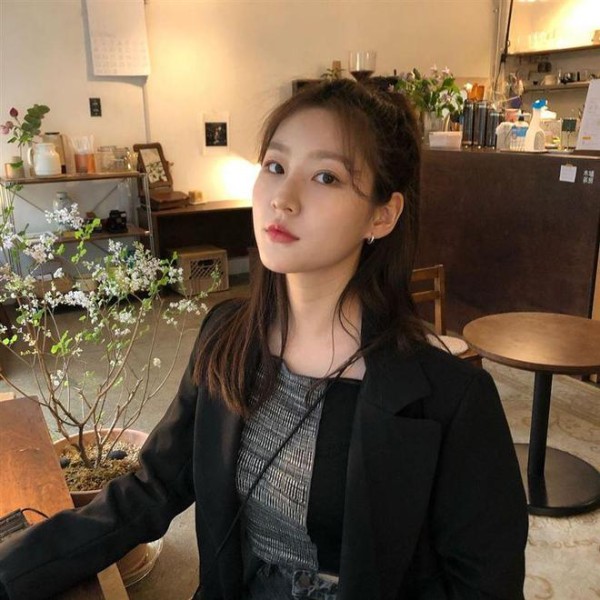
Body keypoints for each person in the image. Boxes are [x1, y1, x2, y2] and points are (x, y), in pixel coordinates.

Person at [0, 79, 528, 600]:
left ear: (382, 215)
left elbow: (485, 586)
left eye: (325, 176)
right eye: (275, 167)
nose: (283, 199)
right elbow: (152, 490)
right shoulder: (226, 338)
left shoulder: (450, 399)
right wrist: (12, 571)